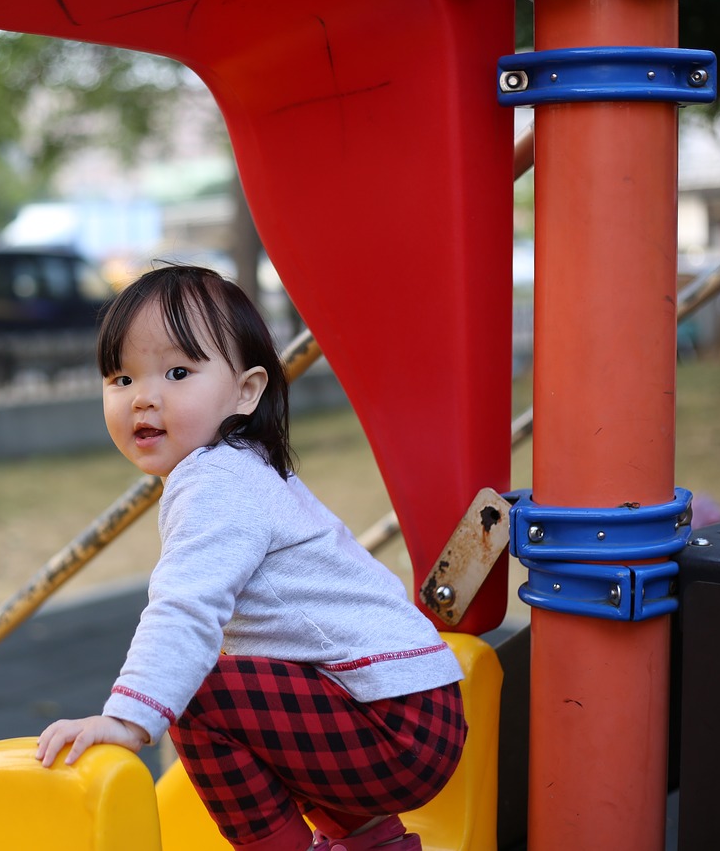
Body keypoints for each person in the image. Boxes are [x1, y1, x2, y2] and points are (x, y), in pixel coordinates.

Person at [35, 265, 467, 851]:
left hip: (396, 720)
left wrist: (129, 717)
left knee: (199, 694)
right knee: (259, 700)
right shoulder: (242, 468)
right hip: (408, 707)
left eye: (178, 372)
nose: (144, 397)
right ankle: (375, 843)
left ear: (246, 390)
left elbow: (185, 607)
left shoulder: (219, 481)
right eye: (120, 378)